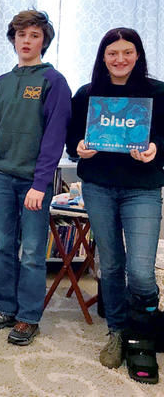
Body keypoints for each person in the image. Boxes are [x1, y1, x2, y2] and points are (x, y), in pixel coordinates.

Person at [66, 27, 164, 384]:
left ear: (137, 54)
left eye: (127, 52)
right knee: (110, 264)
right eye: (112, 53)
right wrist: (78, 146)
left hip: (143, 188)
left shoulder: (157, 92)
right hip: (99, 187)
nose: (119, 59)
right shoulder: (87, 94)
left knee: (140, 270)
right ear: (102, 57)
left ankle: (144, 334)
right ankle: (119, 331)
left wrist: (156, 148)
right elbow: (71, 136)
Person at [0, 10, 71, 346]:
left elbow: (54, 138)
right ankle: (5, 307)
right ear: (13, 40)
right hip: (1, 178)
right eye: (21, 35)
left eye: (33, 35)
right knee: (3, 247)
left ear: (44, 41)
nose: (26, 41)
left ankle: (28, 317)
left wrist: (39, 184)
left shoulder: (54, 82)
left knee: (31, 252)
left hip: (35, 183)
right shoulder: (1, 83)